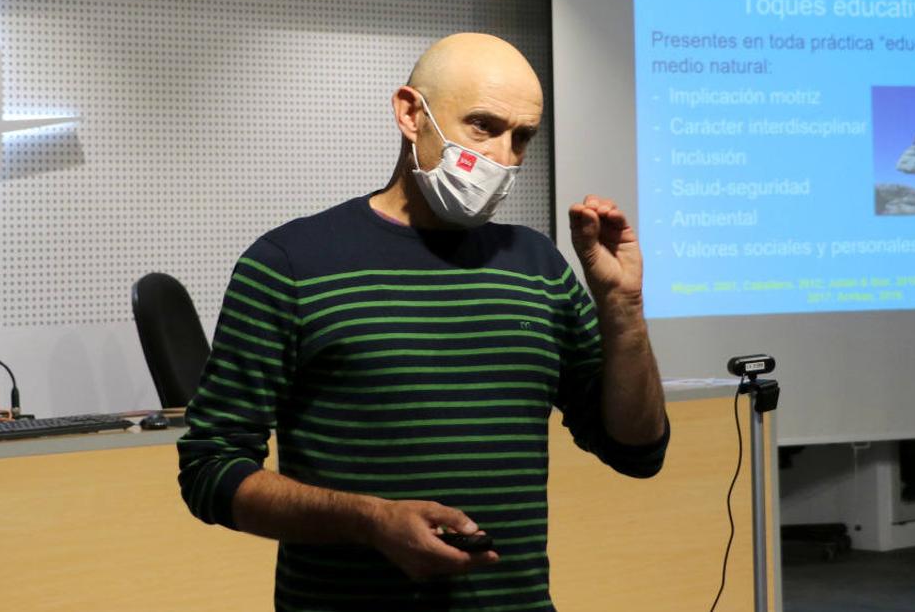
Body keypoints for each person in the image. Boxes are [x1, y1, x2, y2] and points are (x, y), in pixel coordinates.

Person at [177, 33, 670, 612]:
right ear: (412, 113)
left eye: (523, 138)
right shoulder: (291, 264)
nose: (504, 158)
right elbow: (211, 470)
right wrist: (371, 521)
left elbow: (637, 451)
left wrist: (623, 309)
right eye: (483, 126)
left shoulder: (538, 266)